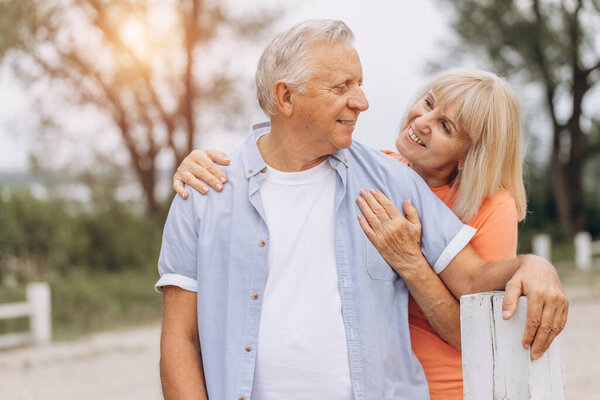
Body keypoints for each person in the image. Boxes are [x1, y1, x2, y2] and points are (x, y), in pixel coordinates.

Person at [158, 19, 567, 400]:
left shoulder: (394, 181)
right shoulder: (204, 193)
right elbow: (181, 339)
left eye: (361, 84)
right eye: (341, 87)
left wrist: (532, 265)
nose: (363, 102)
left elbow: (474, 278)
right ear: (286, 97)